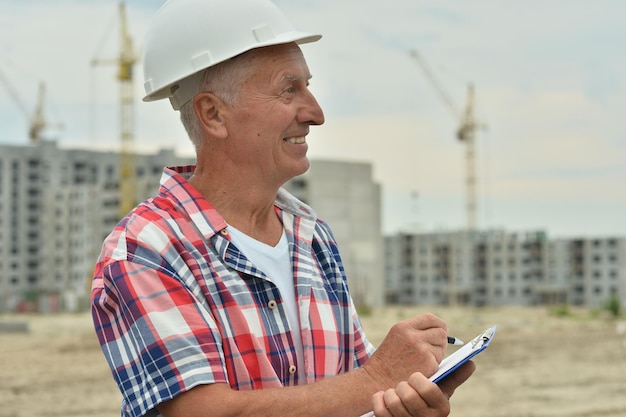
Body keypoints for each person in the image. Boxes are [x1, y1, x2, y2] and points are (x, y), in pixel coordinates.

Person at [90, 0, 475, 416]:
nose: (316, 113)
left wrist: (398, 402)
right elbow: (204, 412)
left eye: (308, 86)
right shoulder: (146, 249)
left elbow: (349, 398)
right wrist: (379, 378)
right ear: (213, 114)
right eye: (289, 89)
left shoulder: (311, 236)